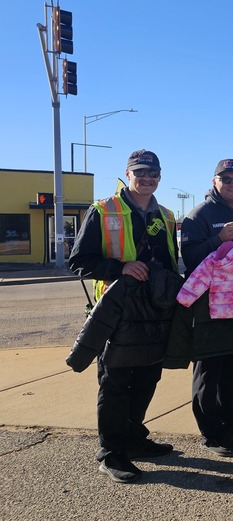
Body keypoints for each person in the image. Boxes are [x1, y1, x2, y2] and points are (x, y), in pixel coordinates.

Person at [68, 149, 179, 484]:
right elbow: (79, 261)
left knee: (148, 376)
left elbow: (173, 261)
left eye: (153, 173)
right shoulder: (103, 210)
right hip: (118, 310)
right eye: (140, 172)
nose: (147, 179)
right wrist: (121, 267)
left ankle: (134, 438)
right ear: (127, 174)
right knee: (115, 381)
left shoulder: (167, 214)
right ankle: (111, 453)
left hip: (156, 308)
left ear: (160, 176)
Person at [180, 159, 233, 457]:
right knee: (209, 369)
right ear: (214, 181)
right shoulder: (199, 215)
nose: (232, 184)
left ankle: (231, 420)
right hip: (210, 307)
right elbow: (189, 259)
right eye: (225, 178)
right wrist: (217, 239)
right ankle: (211, 433)